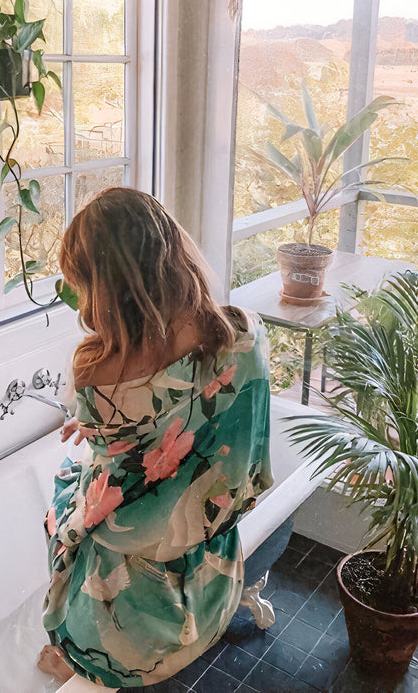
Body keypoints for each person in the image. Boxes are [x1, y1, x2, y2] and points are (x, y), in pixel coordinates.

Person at [38, 188, 272, 687]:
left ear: (101, 285)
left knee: (65, 496)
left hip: (124, 634)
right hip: (213, 573)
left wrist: (100, 423)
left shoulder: (96, 369)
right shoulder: (240, 334)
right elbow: (193, 417)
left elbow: (113, 476)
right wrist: (106, 428)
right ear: (171, 251)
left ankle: (69, 647)